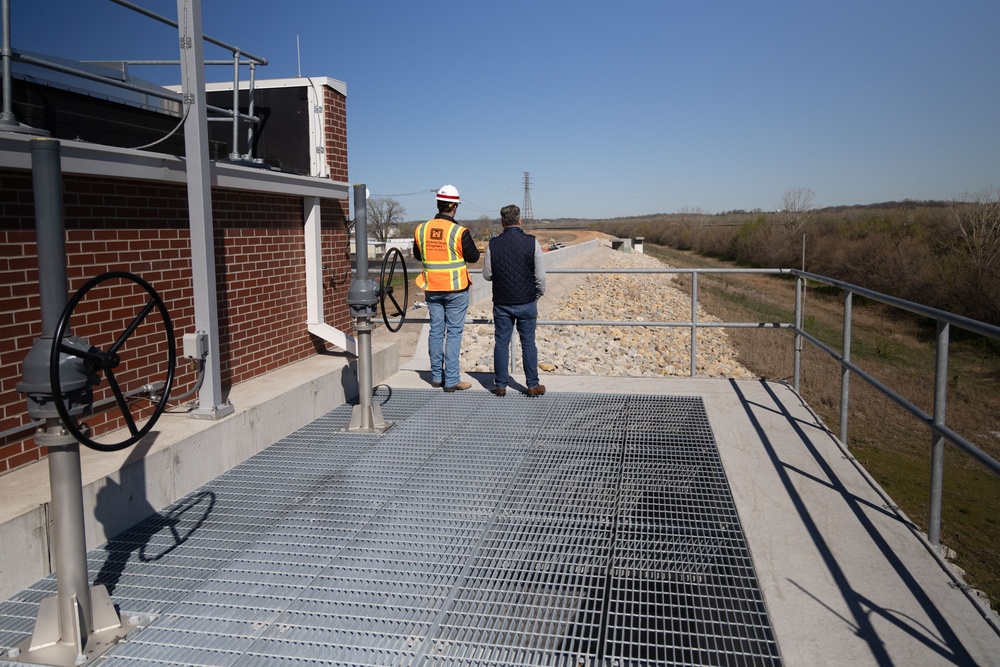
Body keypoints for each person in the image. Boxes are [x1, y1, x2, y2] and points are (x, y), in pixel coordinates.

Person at [413, 185, 480, 392]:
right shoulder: (459, 232)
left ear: (438, 204)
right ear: (454, 207)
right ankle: (451, 380)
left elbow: (418, 255)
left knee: (435, 330)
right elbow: (474, 257)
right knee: (453, 333)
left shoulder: (421, 229)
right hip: (455, 289)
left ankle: (436, 376)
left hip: (432, 287)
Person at [483, 204, 546, 396]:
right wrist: (537, 294)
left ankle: (501, 385)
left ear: (502, 222)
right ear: (519, 220)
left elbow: (487, 275)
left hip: (502, 302)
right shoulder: (532, 242)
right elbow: (540, 277)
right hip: (527, 301)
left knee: (501, 343)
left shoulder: (492, 244)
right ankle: (532, 385)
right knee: (528, 343)